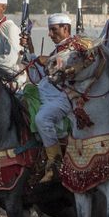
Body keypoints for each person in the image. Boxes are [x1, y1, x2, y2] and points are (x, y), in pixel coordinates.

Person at [20, 13, 73, 183]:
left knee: (43, 119)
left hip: (65, 96)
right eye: (49, 30)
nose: (50, 34)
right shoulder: (57, 49)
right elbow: (38, 77)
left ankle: (55, 163)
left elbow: (62, 65)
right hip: (46, 94)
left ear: (66, 29)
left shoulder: (73, 47)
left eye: (53, 30)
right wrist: (30, 51)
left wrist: (48, 60)